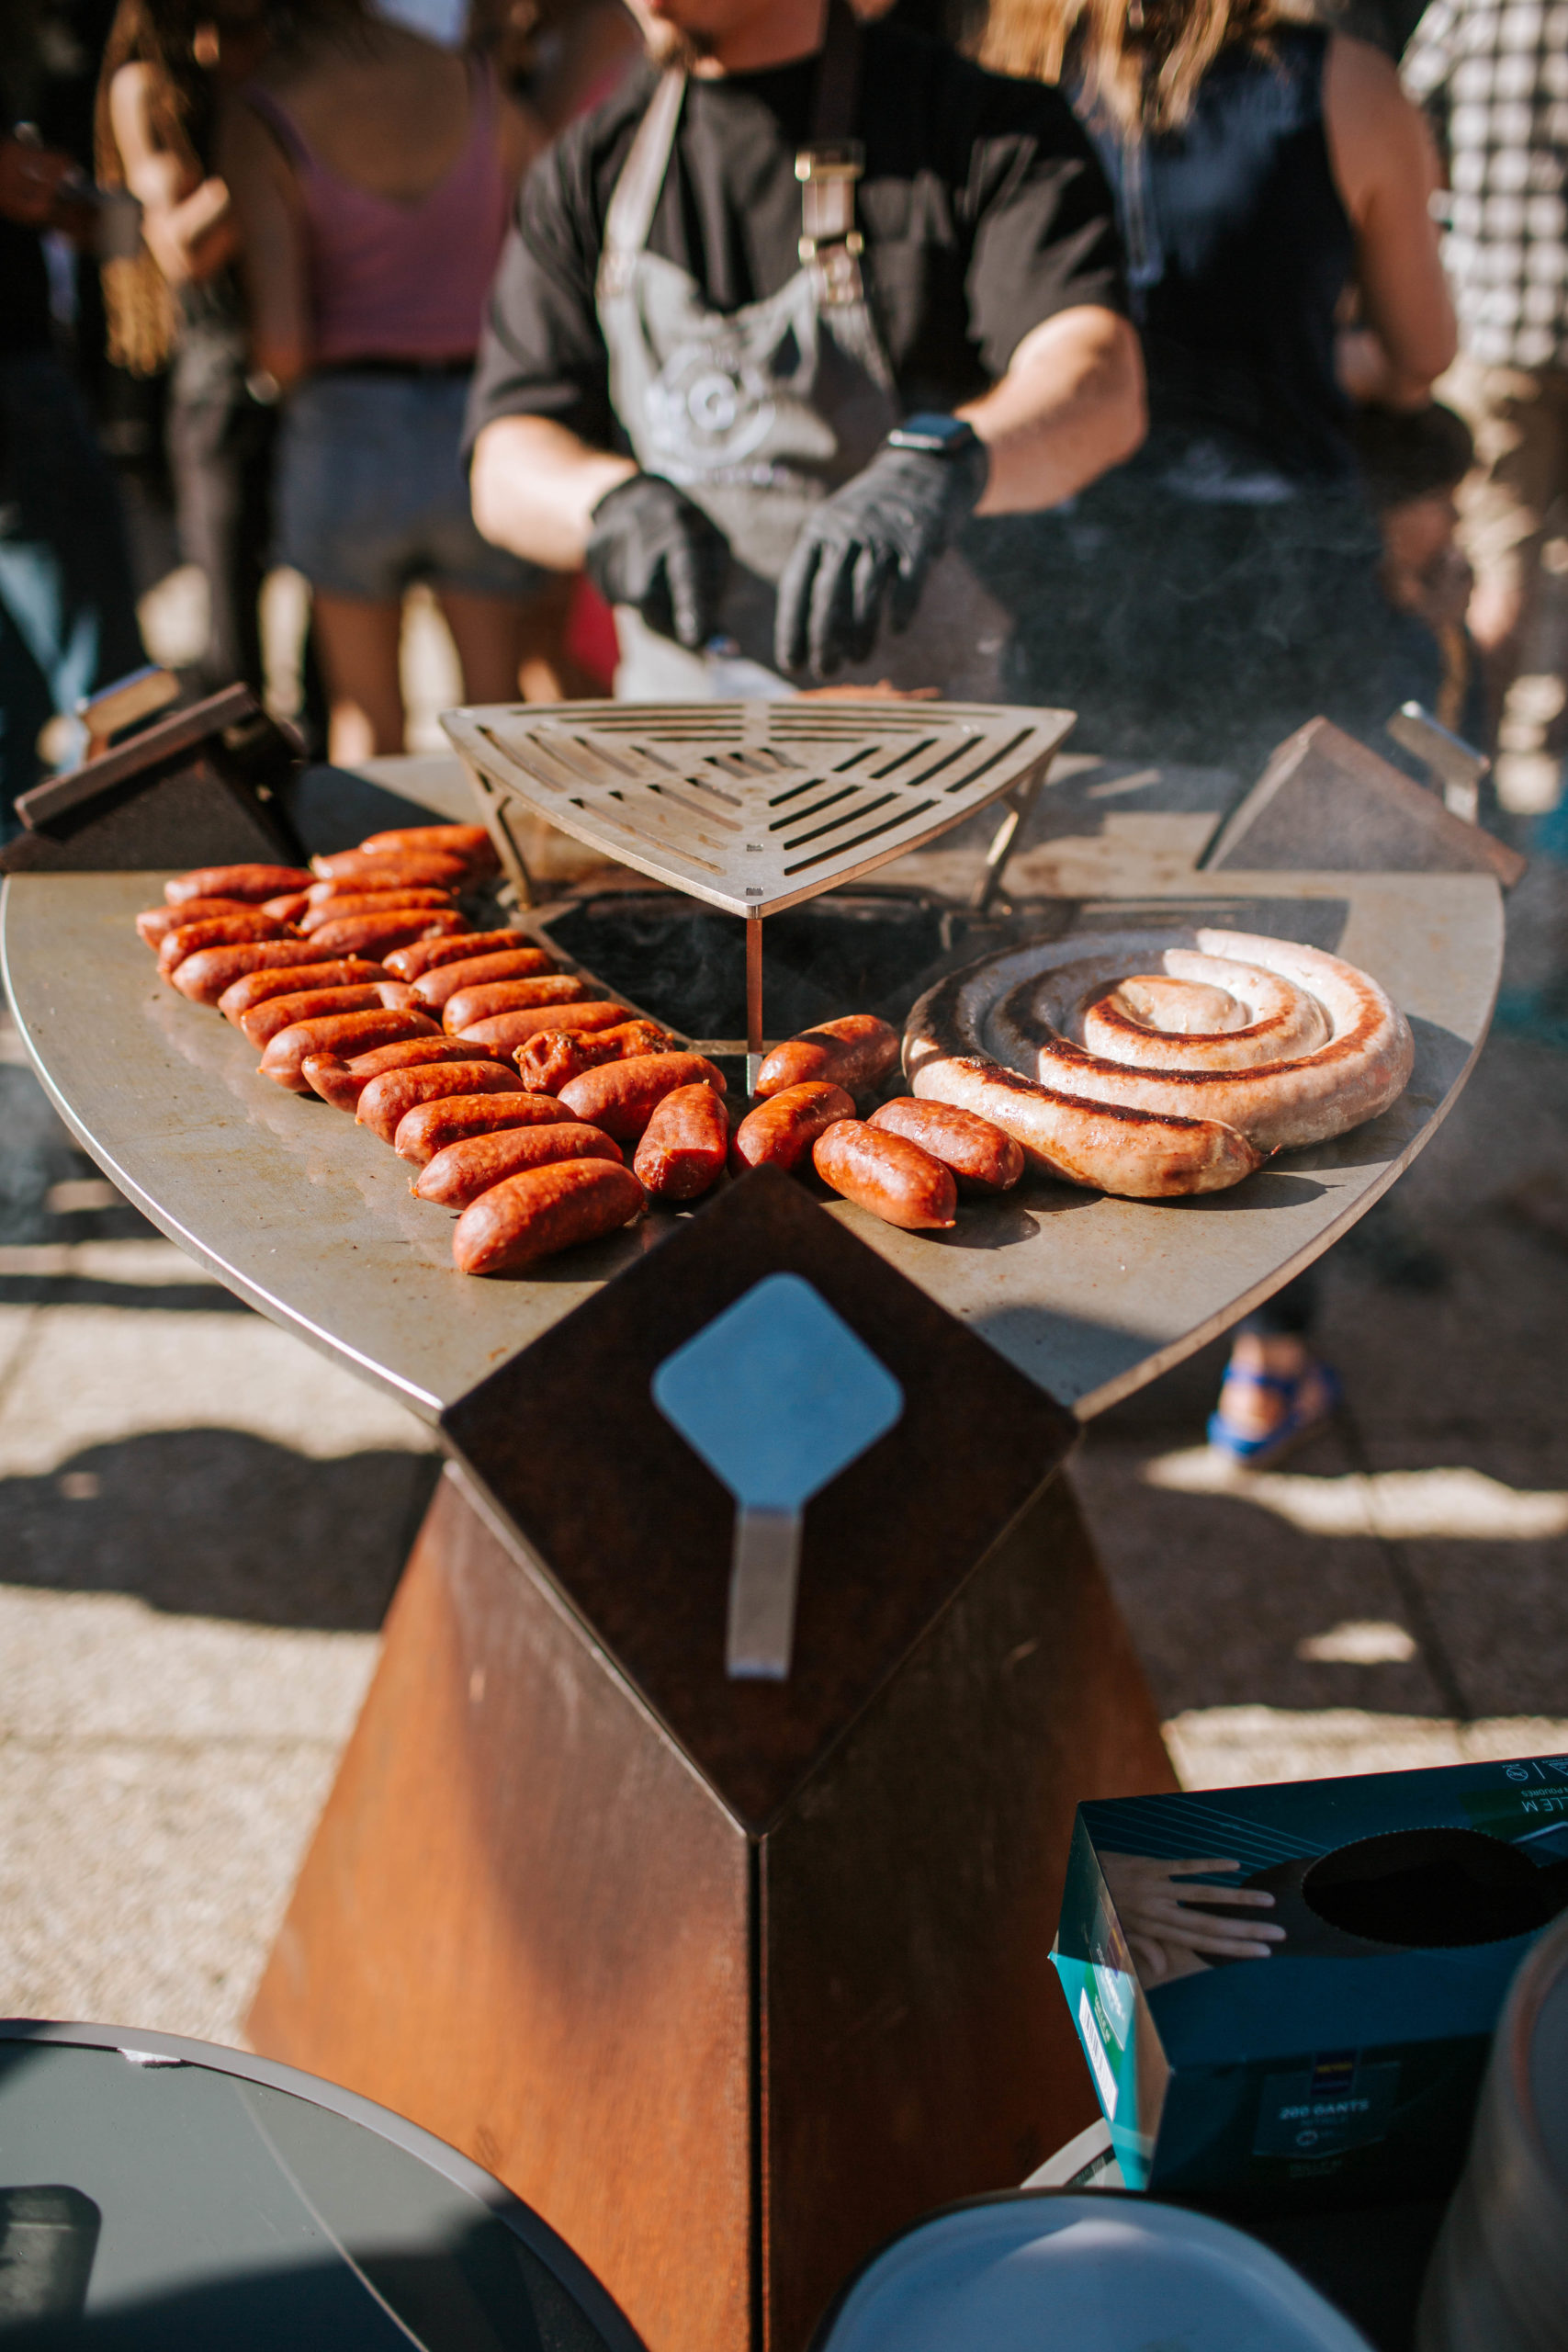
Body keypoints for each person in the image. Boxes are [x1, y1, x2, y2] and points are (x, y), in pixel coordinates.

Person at [463, 0, 1146, 700]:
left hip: (937, 750)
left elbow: (1098, 384)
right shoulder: (588, 169)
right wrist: (605, 503)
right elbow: (506, 460)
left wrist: (944, 466)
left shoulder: (980, 131)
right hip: (680, 761)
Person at [973, 0, 1458, 780]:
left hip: (1068, 581)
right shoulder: (1346, 86)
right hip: (1287, 583)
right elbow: (1421, 350)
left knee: (1086, 871)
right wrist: (1318, 355)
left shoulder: (997, 84)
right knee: (1322, 879)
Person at [220, 0, 560, 762]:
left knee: (365, 719)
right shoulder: (473, 82)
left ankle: (369, 877)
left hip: (347, 434)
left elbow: (282, 346)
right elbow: (550, 236)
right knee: (496, 721)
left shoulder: (267, 110)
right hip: (482, 424)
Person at [1403, 0, 1568, 789]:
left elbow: (1405, 130)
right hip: (1502, 324)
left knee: (1501, 559)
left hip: (1496, 323)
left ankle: (1481, 760)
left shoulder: (1476, 5)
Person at [97, 0, 276, 703]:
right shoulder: (145, 84)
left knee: (334, 627)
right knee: (231, 637)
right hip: (217, 371)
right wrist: (292, 148)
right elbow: (184, 247)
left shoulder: (281, 62)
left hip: (309, 366)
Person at [1, 6, 144, 831]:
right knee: (111, 695)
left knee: (20, 703)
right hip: (17, 388)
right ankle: (103, 870)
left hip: (27, 374)